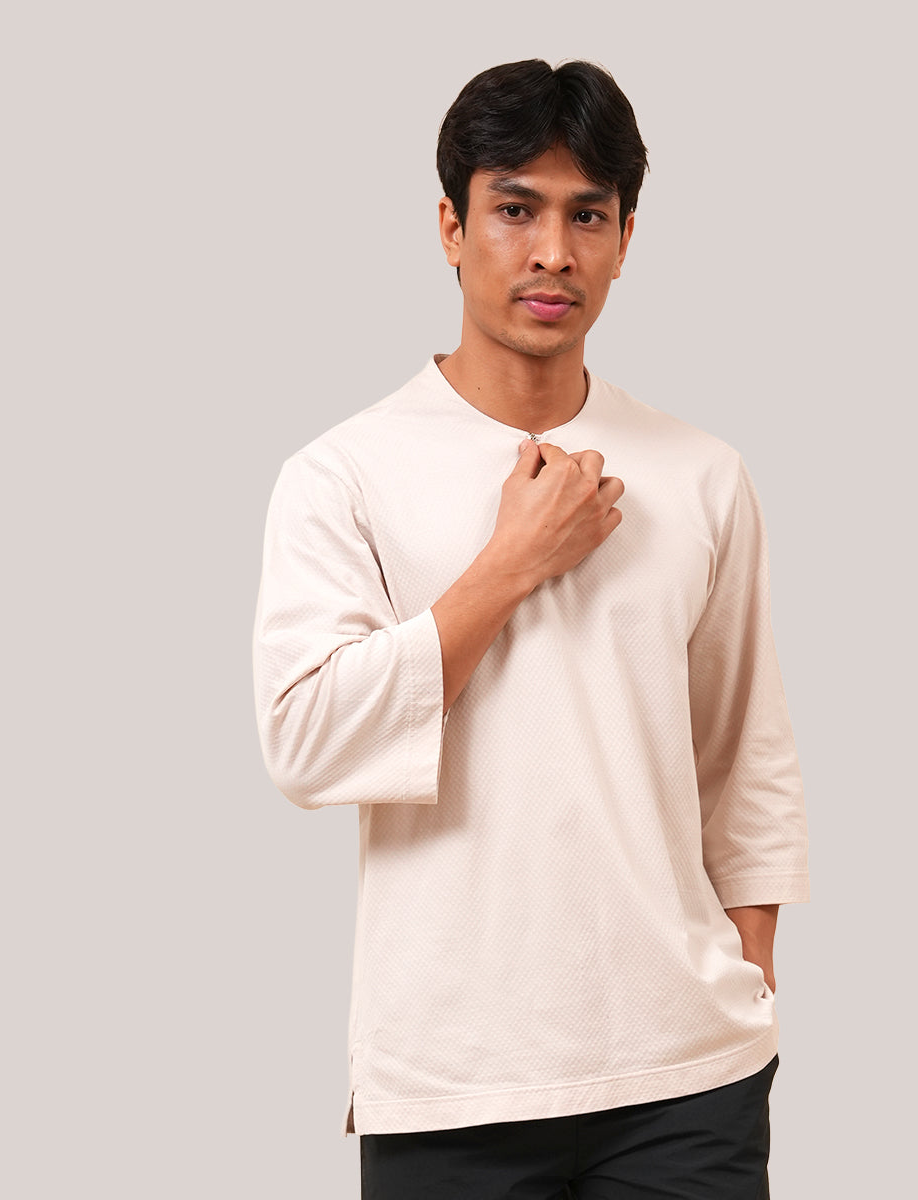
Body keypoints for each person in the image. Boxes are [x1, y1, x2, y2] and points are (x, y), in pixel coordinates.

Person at [253, 58, 809, 1200]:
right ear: (451, 229)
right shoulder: (341, 475)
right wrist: (511, 564)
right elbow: (305, 743)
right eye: (516, 209)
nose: (553, 251)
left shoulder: (702, 473)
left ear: (625, 239)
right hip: (454, 1079)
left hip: (689, 1074)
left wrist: (749, 973)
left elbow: (742, 754)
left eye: (586, 216)